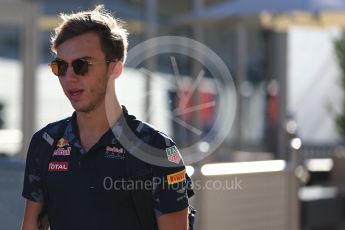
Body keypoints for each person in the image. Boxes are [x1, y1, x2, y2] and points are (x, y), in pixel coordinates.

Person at [21, 5, 192, 230]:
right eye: (60, 66)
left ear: (115, 68)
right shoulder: (45, 142)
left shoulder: (157, 149)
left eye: (82, 65)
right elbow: (30, 225)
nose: (69, 77)